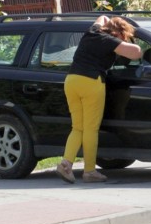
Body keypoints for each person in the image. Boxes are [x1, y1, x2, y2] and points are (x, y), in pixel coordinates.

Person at [56, 15, 142, 184]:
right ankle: (89, 171)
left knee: (77, 127)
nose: (123, 39)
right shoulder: (109, 40)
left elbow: (102, 17)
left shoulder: (92, 31)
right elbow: (135, 53)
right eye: (123, 36)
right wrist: (128, 41)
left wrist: (113, 25)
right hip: (91, 82)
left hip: (72, 81)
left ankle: (66, 163)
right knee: (90, 129)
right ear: (118, 32)